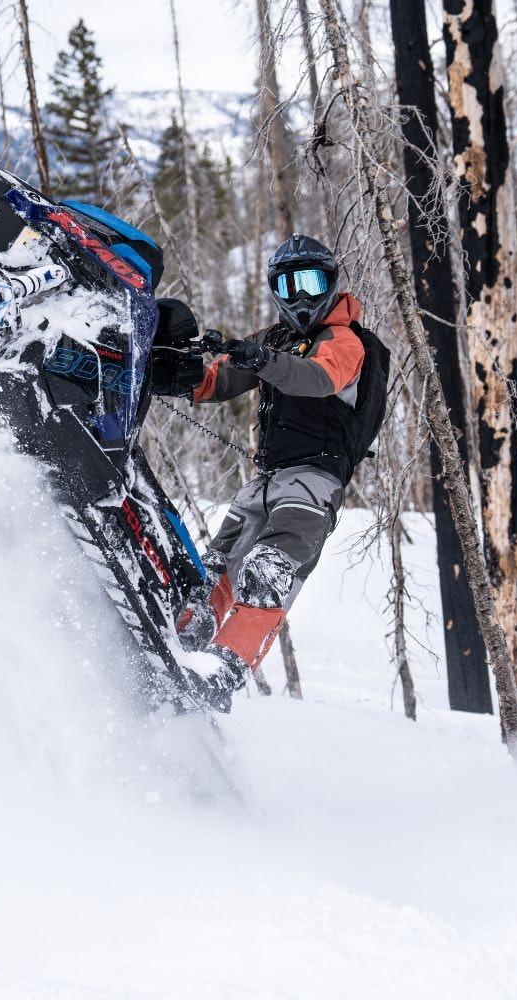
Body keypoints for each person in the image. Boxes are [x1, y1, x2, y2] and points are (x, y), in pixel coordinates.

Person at [173, 234, 388, 711]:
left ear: (330, 284)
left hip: (313, 482)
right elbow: (214, 382)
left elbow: (316, 378)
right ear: (276, 291)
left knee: (268, 571)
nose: (302, 296)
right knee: (213, 570)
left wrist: (263, 360)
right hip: (266, 482)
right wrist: (173, 367)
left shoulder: (345, 341)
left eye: (312, 282)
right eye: (290, 285)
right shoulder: (275, 341)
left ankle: (222, 671)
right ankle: (181, 641)